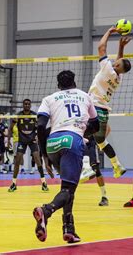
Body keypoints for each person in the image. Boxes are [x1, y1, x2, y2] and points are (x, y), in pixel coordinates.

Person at [33, 70, 99, 244]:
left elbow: (40, 126)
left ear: (58, 85)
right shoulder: (85, 96)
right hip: (72, 140)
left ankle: (69, 229)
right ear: (74, 82)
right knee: (68, 190)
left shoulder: (50, 98)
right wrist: (82, 130)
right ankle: (46, 211)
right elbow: (96, 125)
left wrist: (45, 155)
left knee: (67, 189)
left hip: (53, 142)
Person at [87, 26, 131, 178]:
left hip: (92, 108)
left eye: (117, 62)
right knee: (101, 141)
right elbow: (121, 62)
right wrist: (121, 47)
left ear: (117, 65)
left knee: (81, 135)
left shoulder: (107, 69)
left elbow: (101, 47)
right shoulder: (118, 77)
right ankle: (117, 165)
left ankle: (86, 167)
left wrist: (109, 31)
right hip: (104, 111)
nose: (115, 61)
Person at [8, 99, 48, 192]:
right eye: (25, 104)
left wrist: (38, 136)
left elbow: (40, 128)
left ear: (30, 105)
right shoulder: (18, 115)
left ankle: (44, 183)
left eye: (28, 104)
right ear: (23, 105)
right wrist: (9, 140)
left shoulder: (34, 115)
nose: (27, 105)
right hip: (22, 141)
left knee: (38, 160)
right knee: (17, 161)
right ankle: (14, 183)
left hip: (32, 140)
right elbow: (10, 128)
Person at [81, 135, 109, 206]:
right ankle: (68, 194)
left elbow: (107, 128)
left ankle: (104, 197)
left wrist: (101, 142)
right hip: (79, 143)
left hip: (91, 145)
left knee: (96, 170)